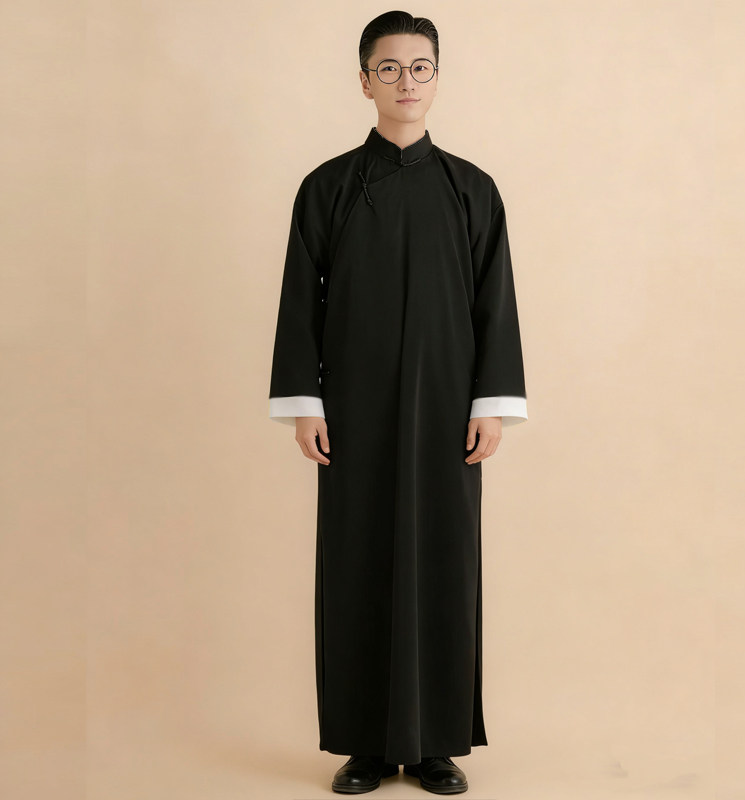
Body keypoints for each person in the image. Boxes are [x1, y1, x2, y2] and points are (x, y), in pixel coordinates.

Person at [268, 10, 528, 795]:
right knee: (356, 563)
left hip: (450, 411)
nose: (405, 81)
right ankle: (367, 747)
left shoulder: (471, 189)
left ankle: (437, 743)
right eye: (389, 68)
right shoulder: (328, 188)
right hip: (353, 410)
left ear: (437, 78)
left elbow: (495, 303)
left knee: (446, 561)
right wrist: (306, 403)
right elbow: (299, 302)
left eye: (420, 67)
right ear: (364, 81)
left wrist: (491, 403)